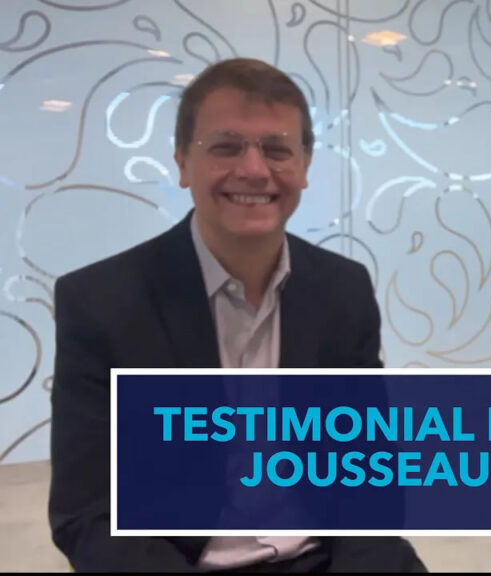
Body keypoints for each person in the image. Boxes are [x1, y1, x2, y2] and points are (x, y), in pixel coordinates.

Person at [48, 57, 426, 573]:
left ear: (304, 166)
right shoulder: (101, 303)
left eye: (277, 149)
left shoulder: (343, 290)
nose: (253, 169)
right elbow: (89, 514)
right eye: (225, 146)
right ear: (183, 162)